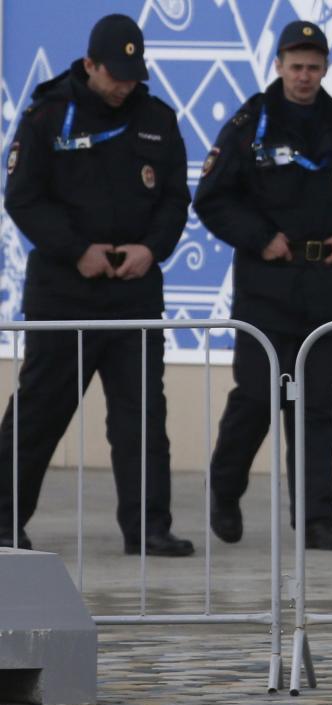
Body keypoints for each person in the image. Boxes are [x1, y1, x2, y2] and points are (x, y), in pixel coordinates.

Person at [0, 14, 194, 556]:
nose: (125, 85)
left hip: (133, 290)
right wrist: (75, 251)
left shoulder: (157, 119)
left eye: (134, 74)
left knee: (141, 416)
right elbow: (23, 197)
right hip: (65, 290)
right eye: (116, 74)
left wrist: (151, 249)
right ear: (90, 65)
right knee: (41, 409)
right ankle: (2, 519)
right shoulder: (48, 115)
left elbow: (175, 198)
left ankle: (149, 528)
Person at [193, 20, 332, 551]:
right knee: (256, 398)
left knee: (317, 406)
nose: (304, 76)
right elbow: (212, 197)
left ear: (324, 68)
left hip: (324, 287)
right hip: (266, 286)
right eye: (295, 66)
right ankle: (224, 491)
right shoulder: (251, 123)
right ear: (278, 65)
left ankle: (316, 519)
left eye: (314, 67)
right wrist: (260, 238)